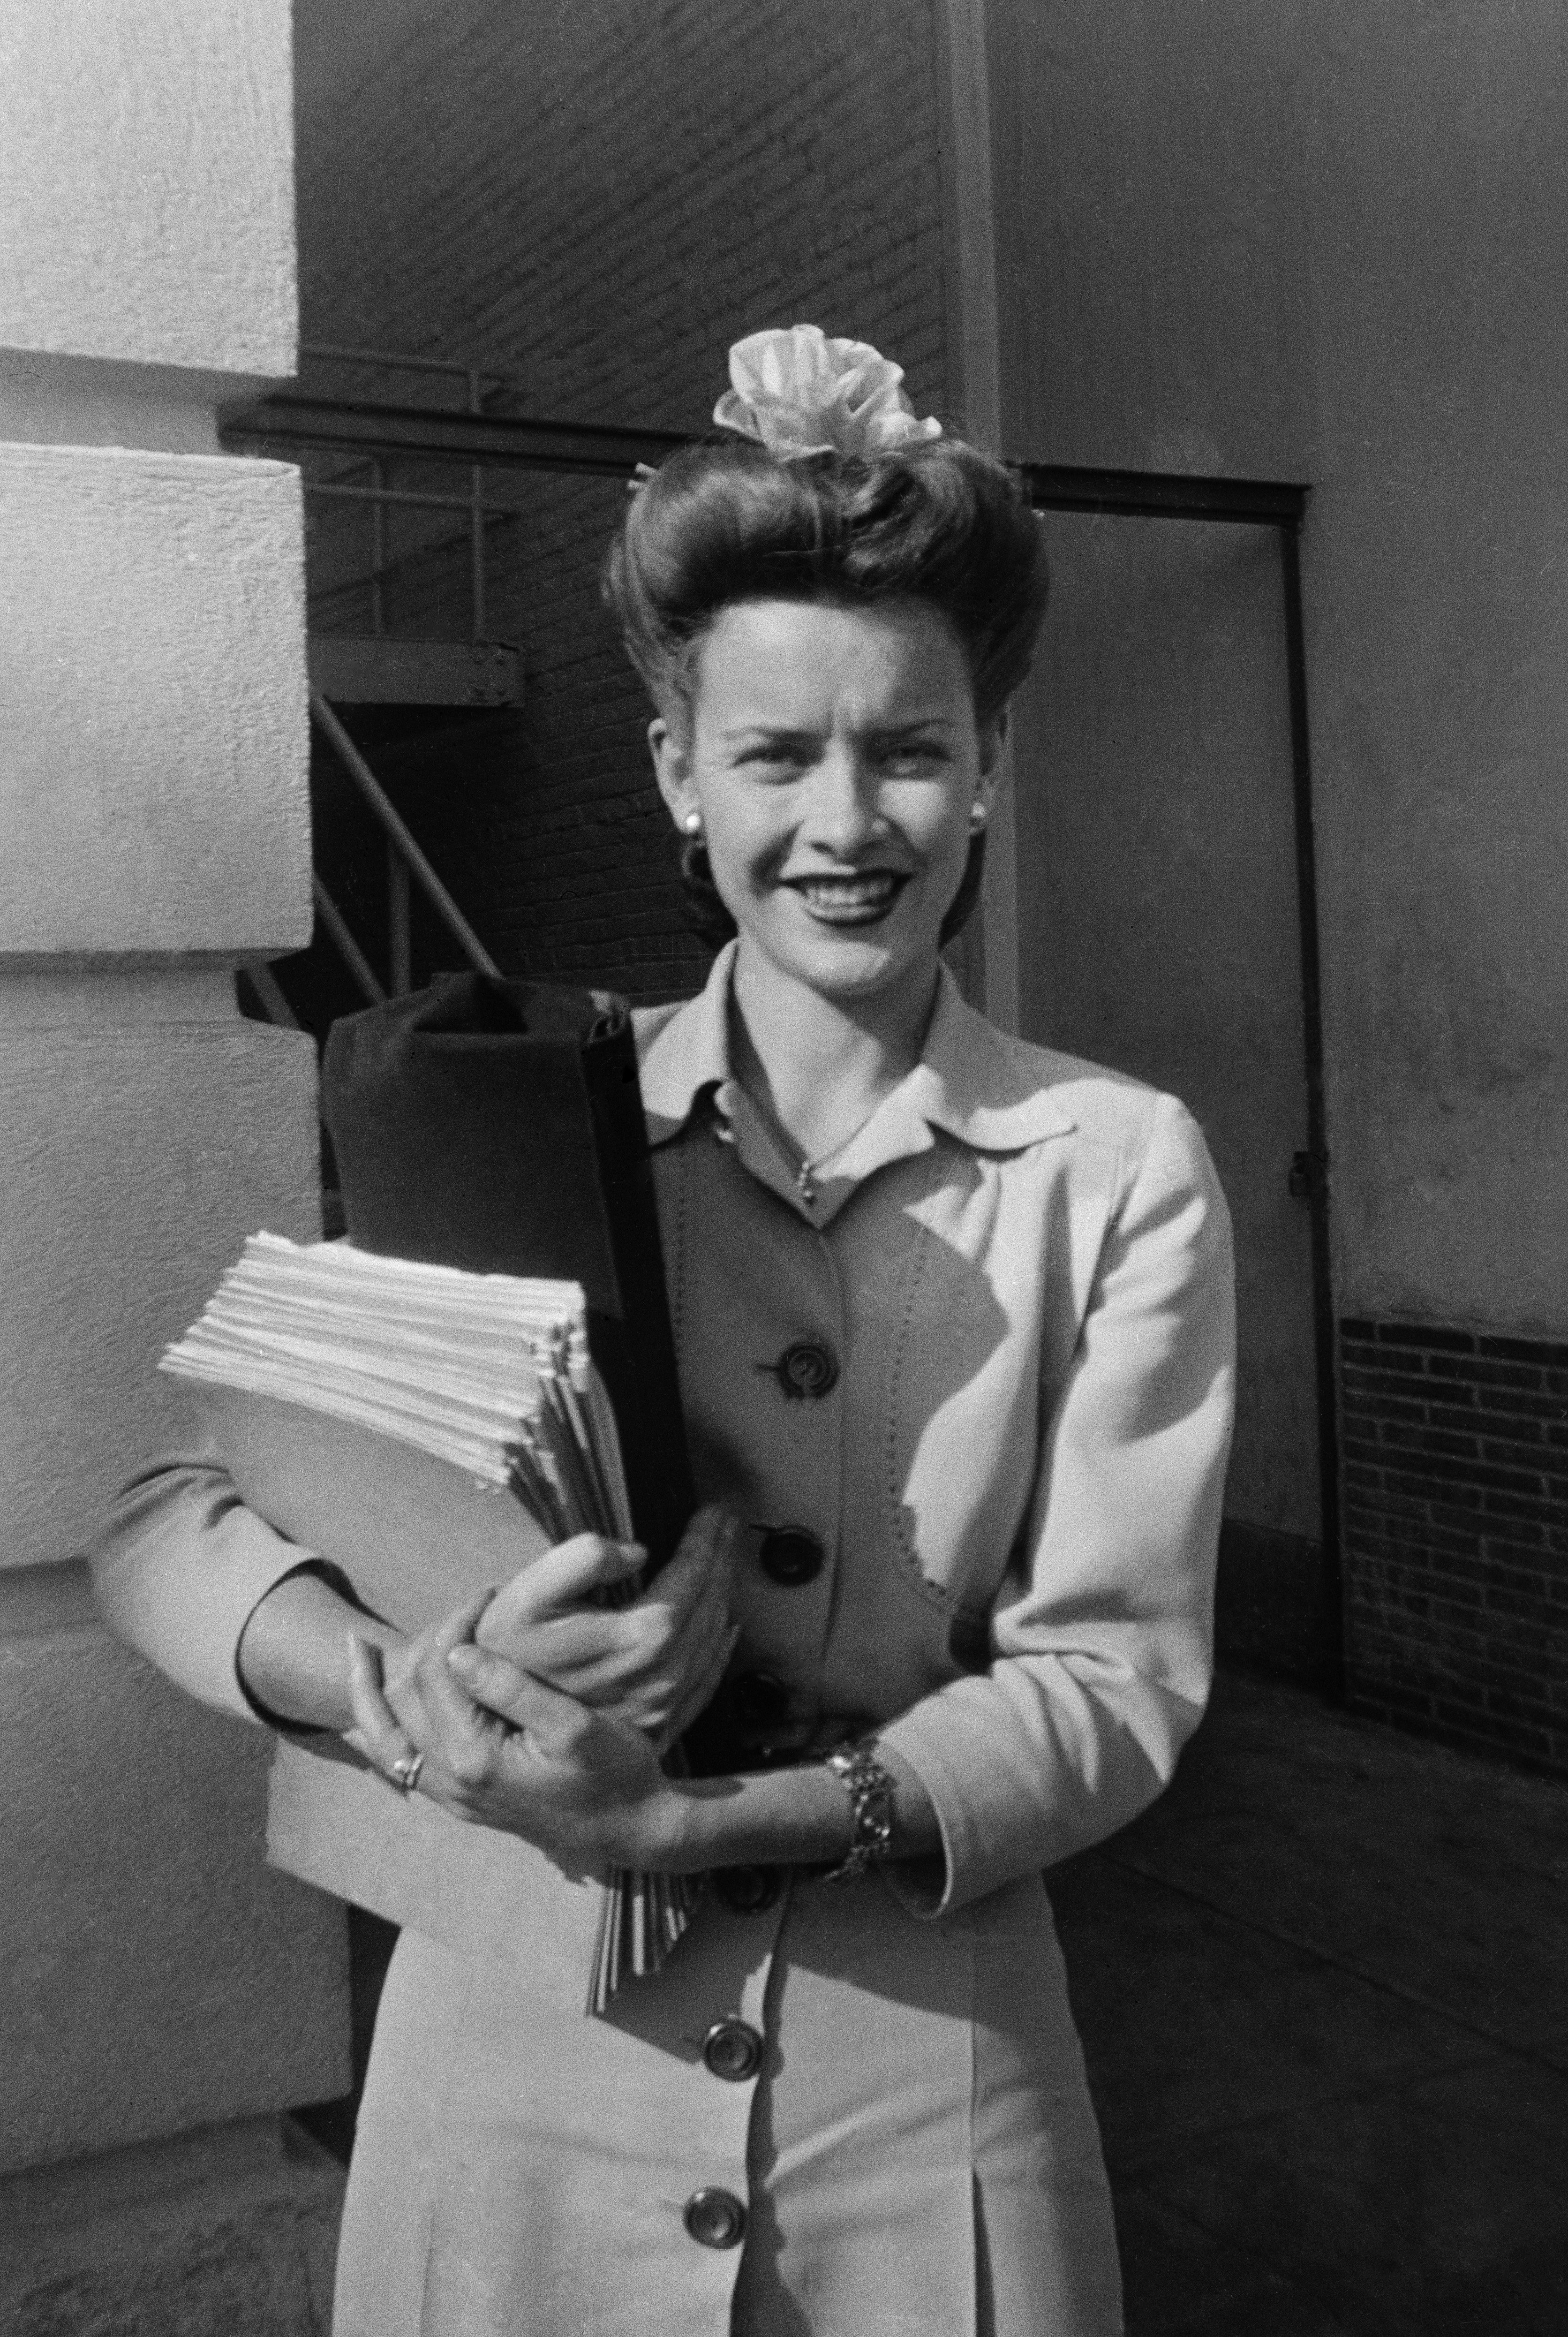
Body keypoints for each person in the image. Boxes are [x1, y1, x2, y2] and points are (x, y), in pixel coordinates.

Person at [89, 325, 1235, 2337]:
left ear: (988, 771)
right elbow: (164, 1522)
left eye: (909, 747)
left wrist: (703, 1819)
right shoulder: (497, 1115)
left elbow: (1111, 1684)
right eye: (775, 753)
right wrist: (396, 1687)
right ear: (674, 780)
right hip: (518, 2081)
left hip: (930, 2104)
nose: (846, 817)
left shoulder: (1113, 1163)